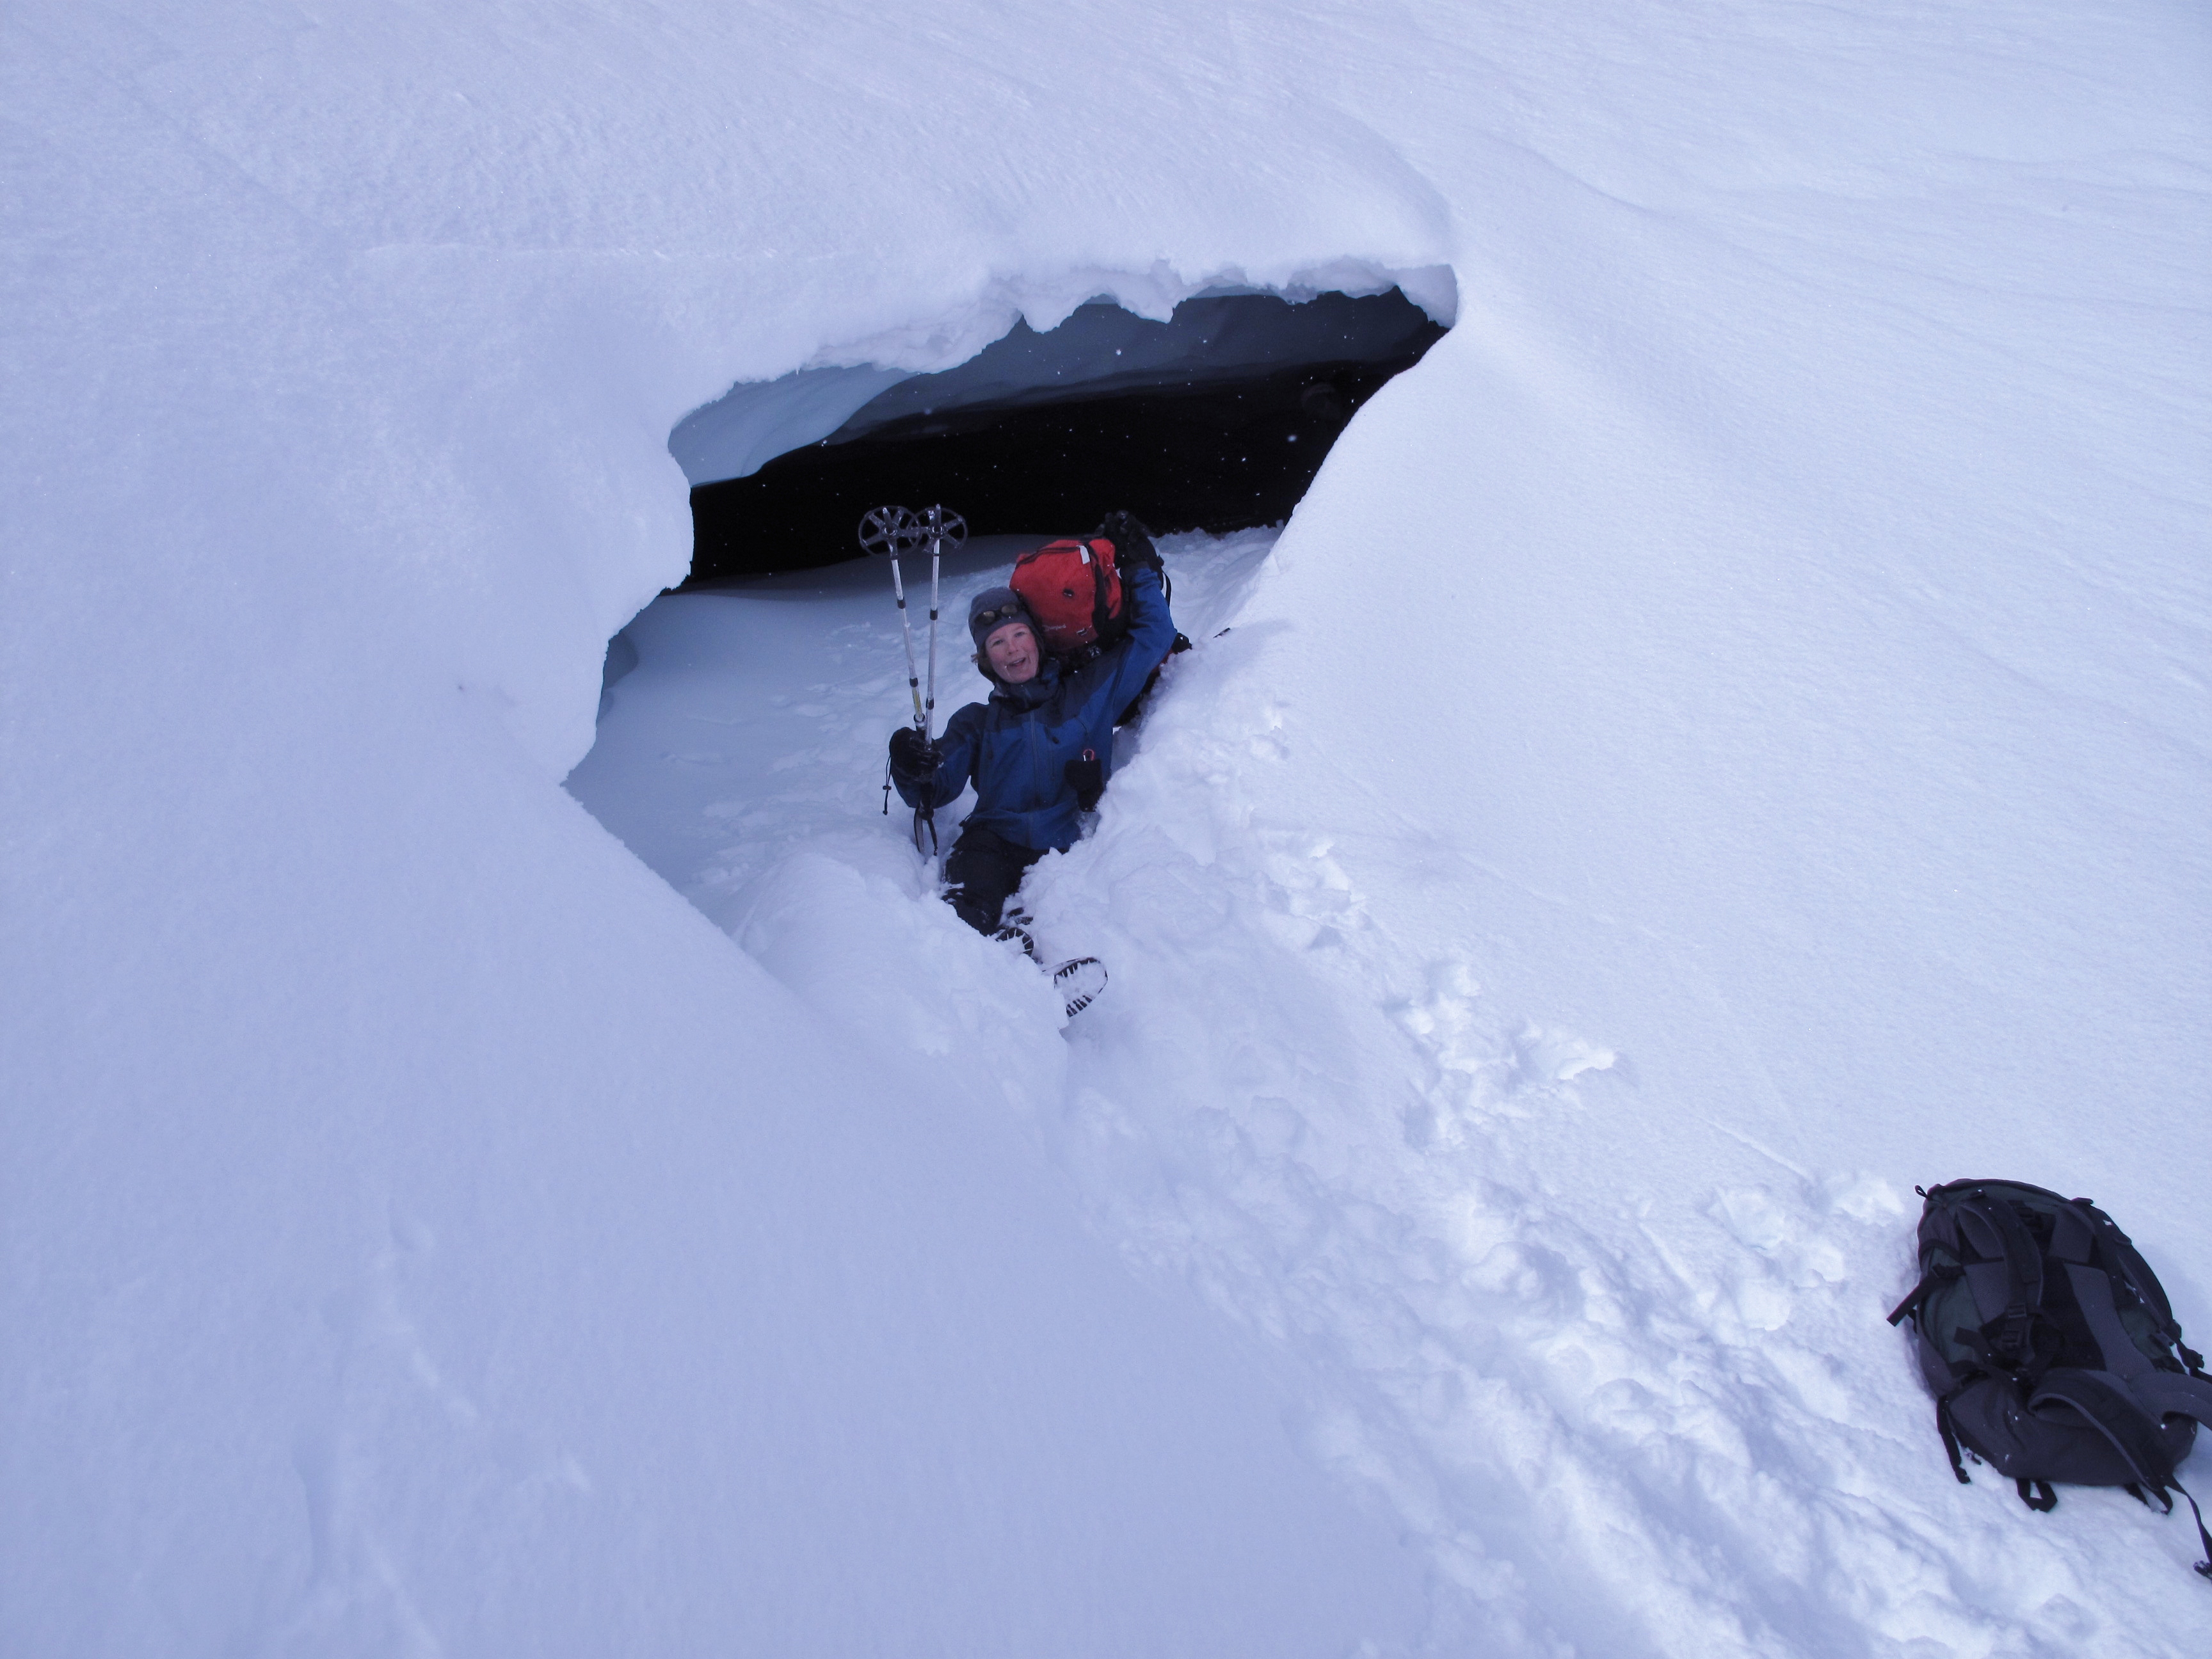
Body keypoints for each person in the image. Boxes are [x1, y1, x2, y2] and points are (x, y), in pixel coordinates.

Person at [887, 531, 1178, 940]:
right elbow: (930, 791)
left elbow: (1153, 636)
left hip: (1064, 849)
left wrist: (1138, 570)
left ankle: (1045, 964)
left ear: (1038, 641)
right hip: (989, 844)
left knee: (1060, 915)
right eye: (997, 644)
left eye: (1019, 634)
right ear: (986, 661)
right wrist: (906, 761)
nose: (1011, 649)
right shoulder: (976, 723)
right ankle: (987, 962)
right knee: (961, 918)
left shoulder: (1089, 693)